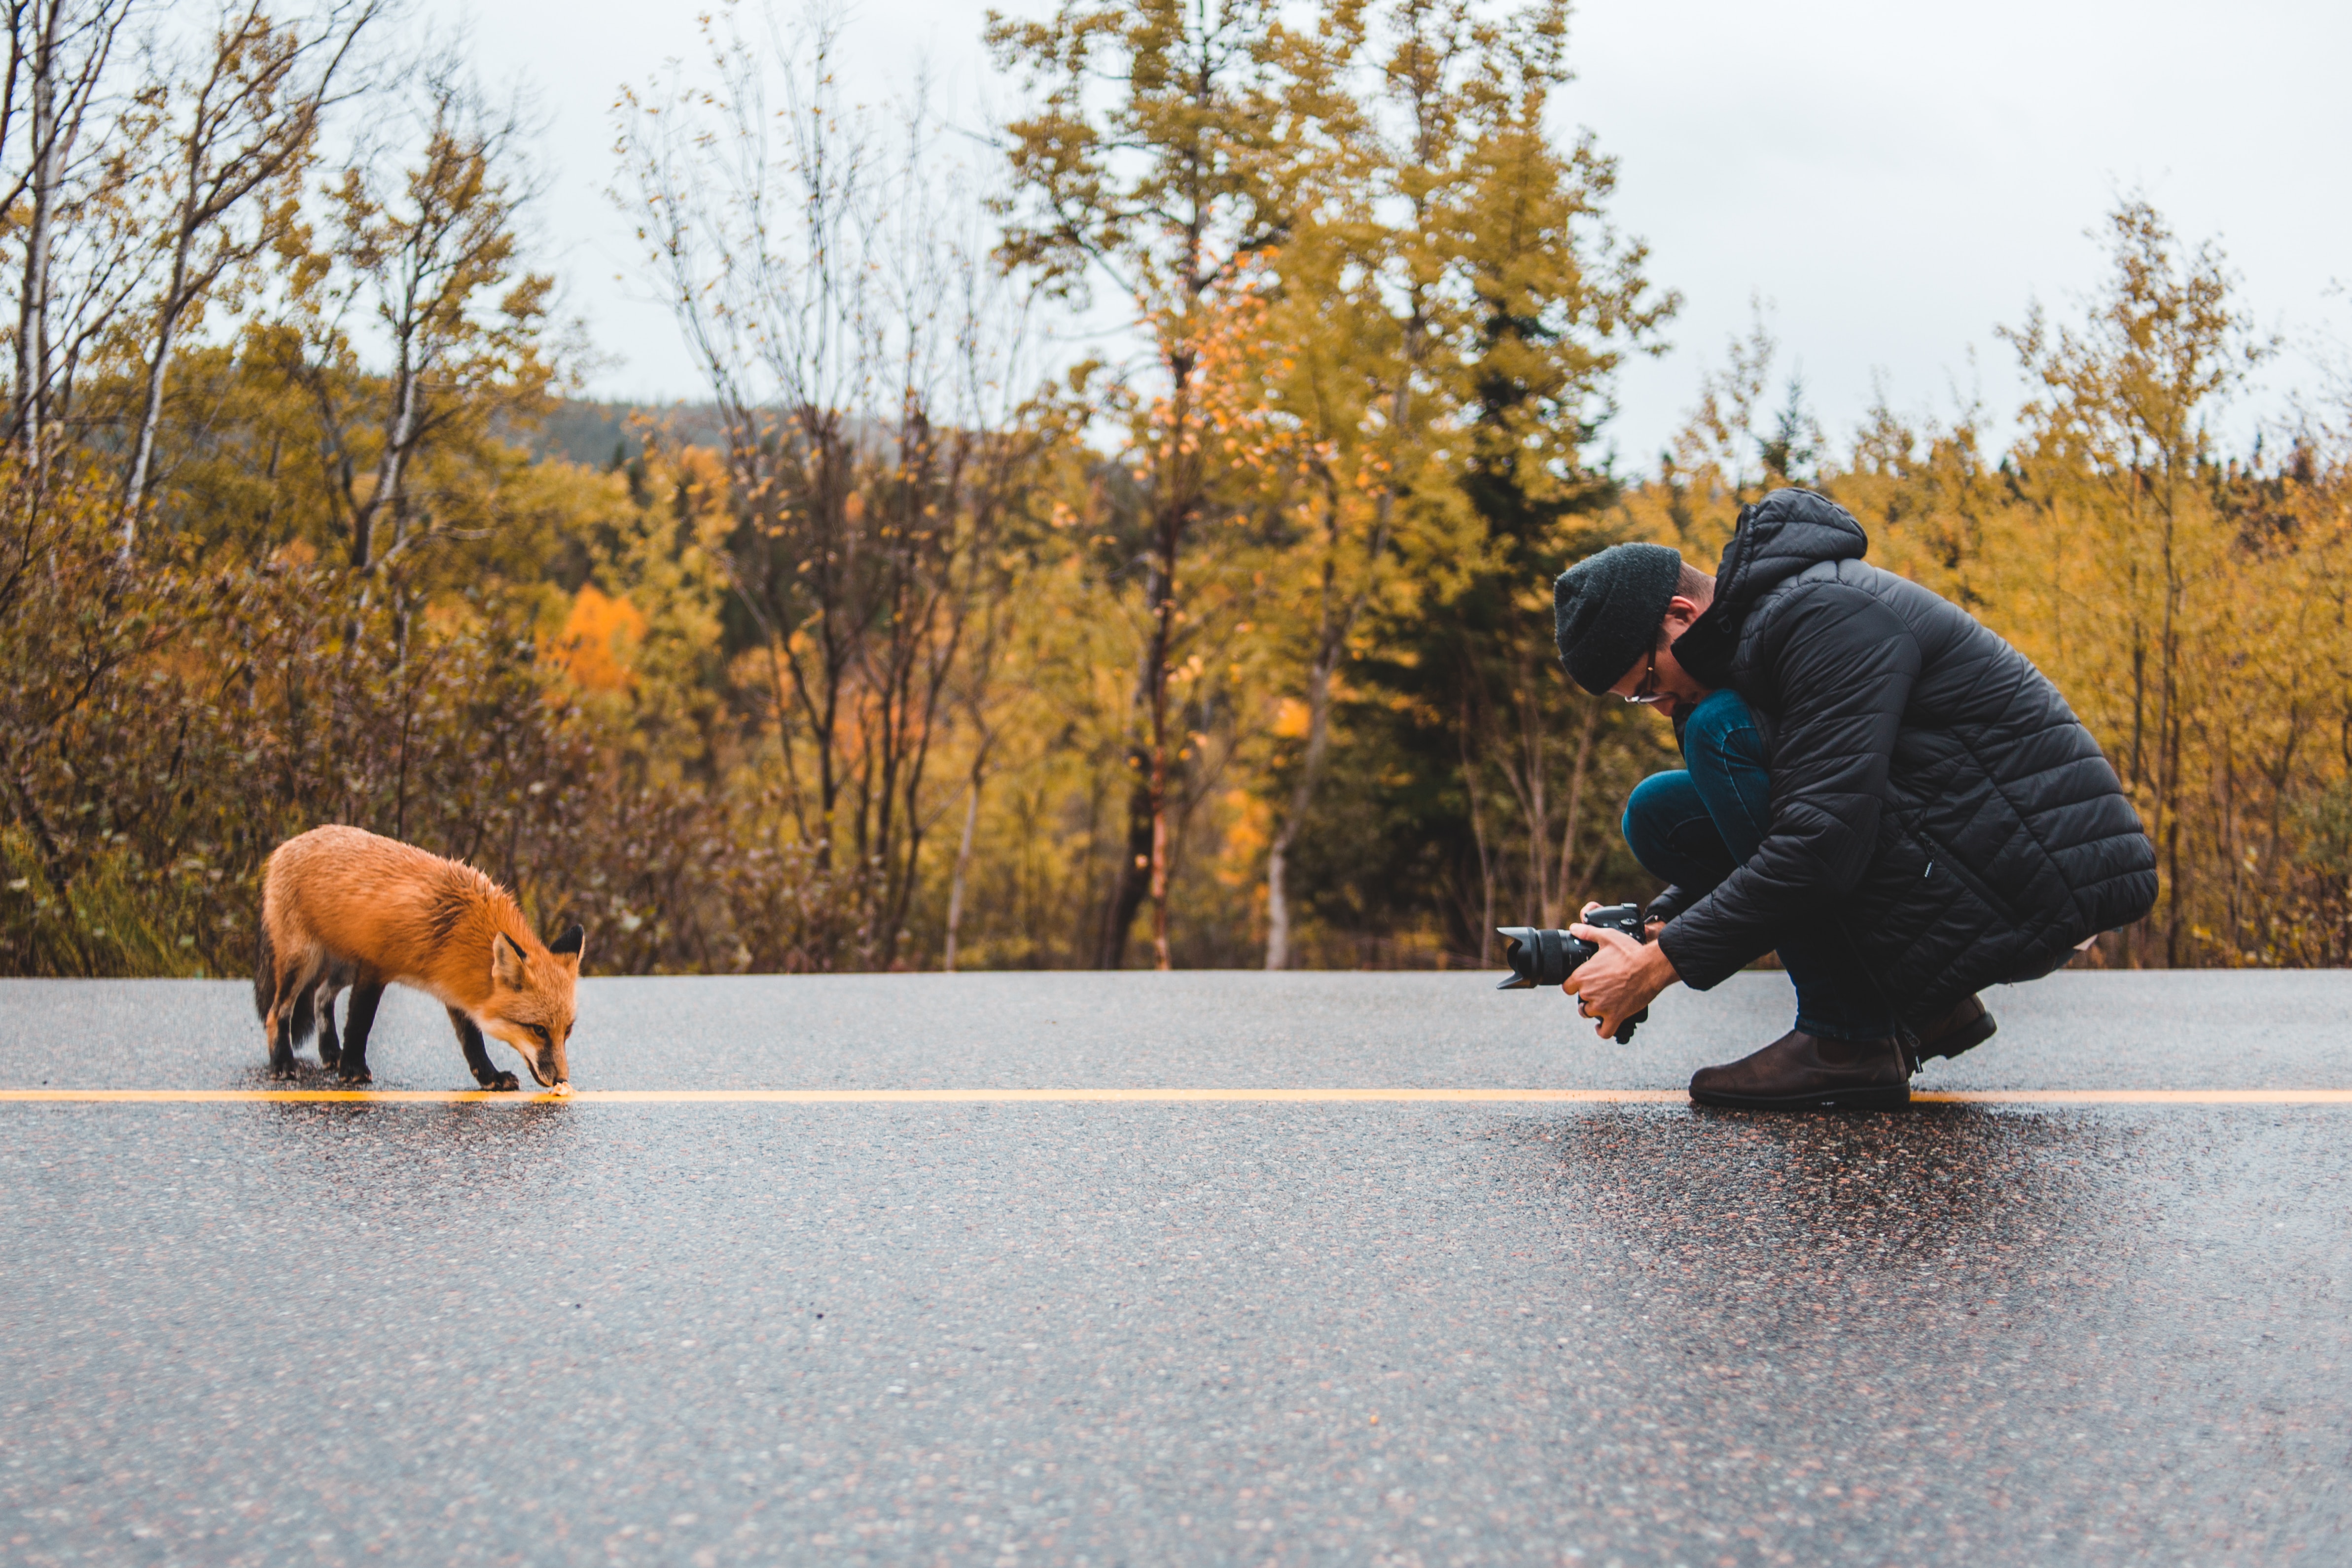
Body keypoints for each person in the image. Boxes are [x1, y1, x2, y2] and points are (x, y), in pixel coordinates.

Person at [1547, 487, 2156, 1109]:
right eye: (1639, 700)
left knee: (1718, 731)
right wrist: (1658, 927)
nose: (1661, 707)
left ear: (1681, 616)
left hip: (2039, 878)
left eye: (1647, 686)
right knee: (1660, 813)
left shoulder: (1823, 614)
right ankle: (1929, 1008)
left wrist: (1654, 970)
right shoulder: (1770, 631)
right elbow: (1799, 808)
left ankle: (1848, 1038)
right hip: (1967, 853)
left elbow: (1822, 843)